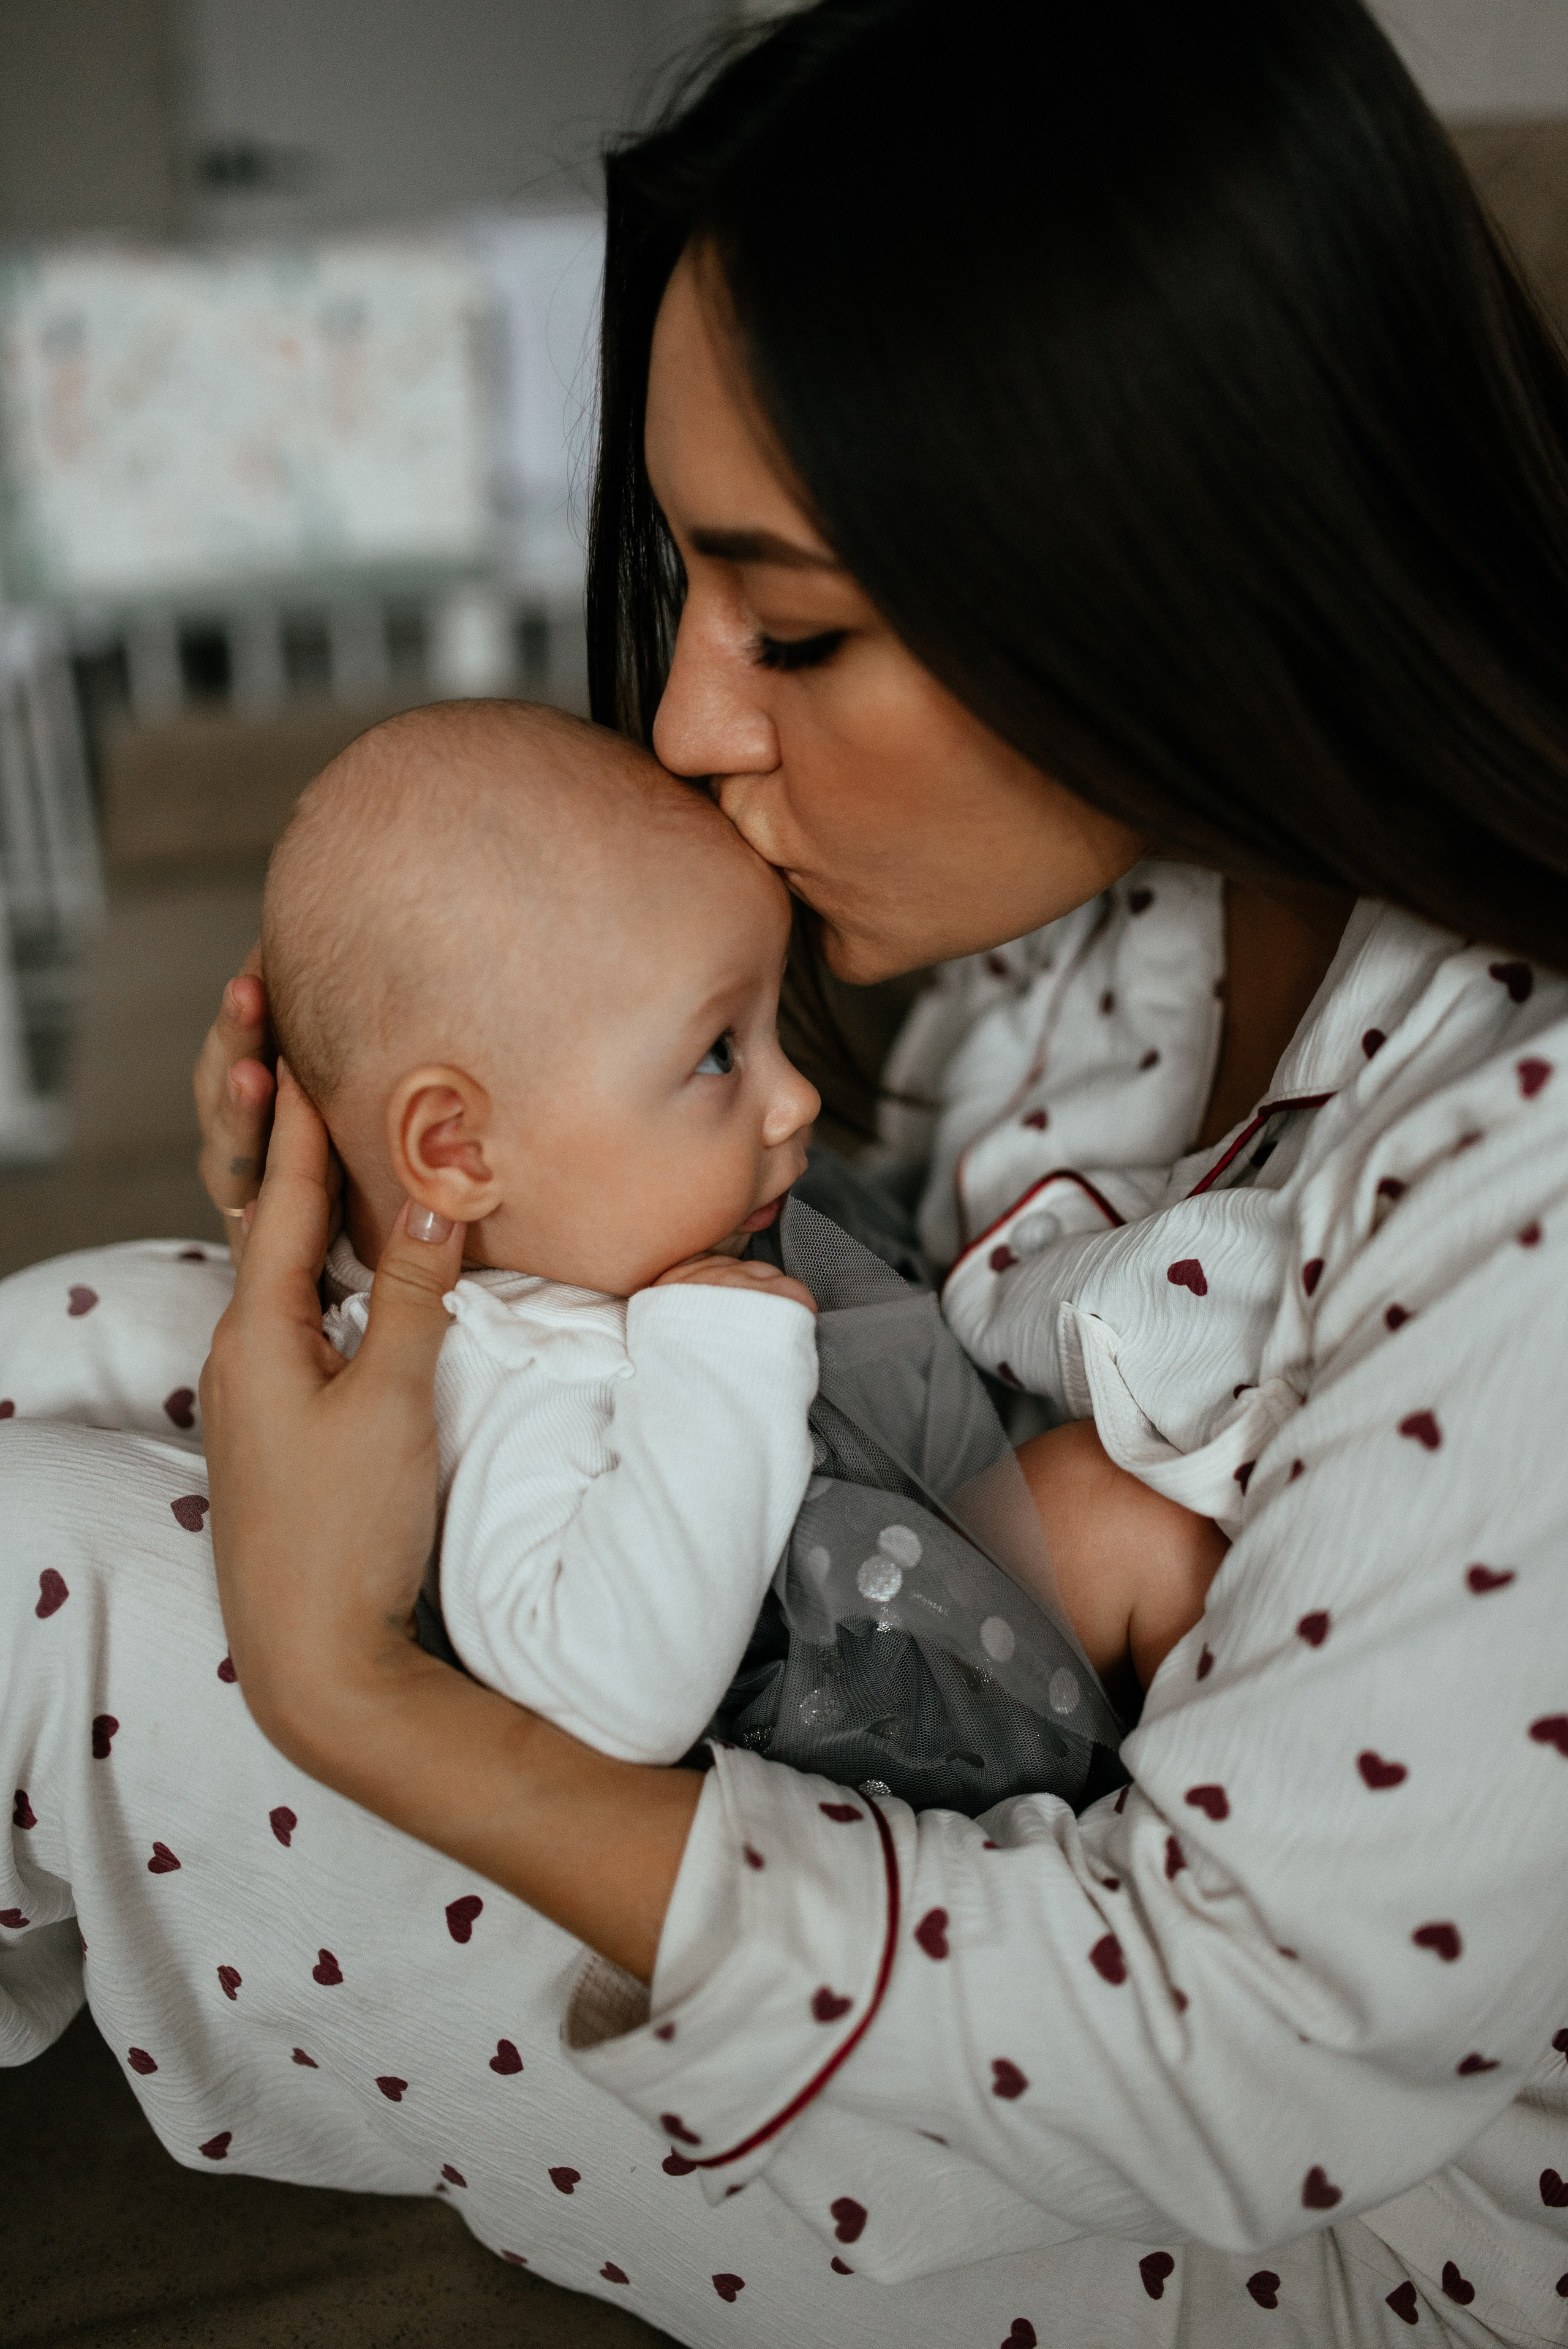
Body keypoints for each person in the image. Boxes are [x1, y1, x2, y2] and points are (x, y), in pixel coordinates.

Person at [4, 1, 1567, 2342]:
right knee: (124, 1332)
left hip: (1306, 2221)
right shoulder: (1122, 917)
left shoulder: (1524, 1177)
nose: (688, 720)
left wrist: (354, 1690)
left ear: (1160, 554)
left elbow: (1220, 2049)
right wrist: (424, 1215)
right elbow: (861, 1300)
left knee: (41, 1574)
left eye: (796, 623)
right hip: (919, 1683)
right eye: (690, 584)